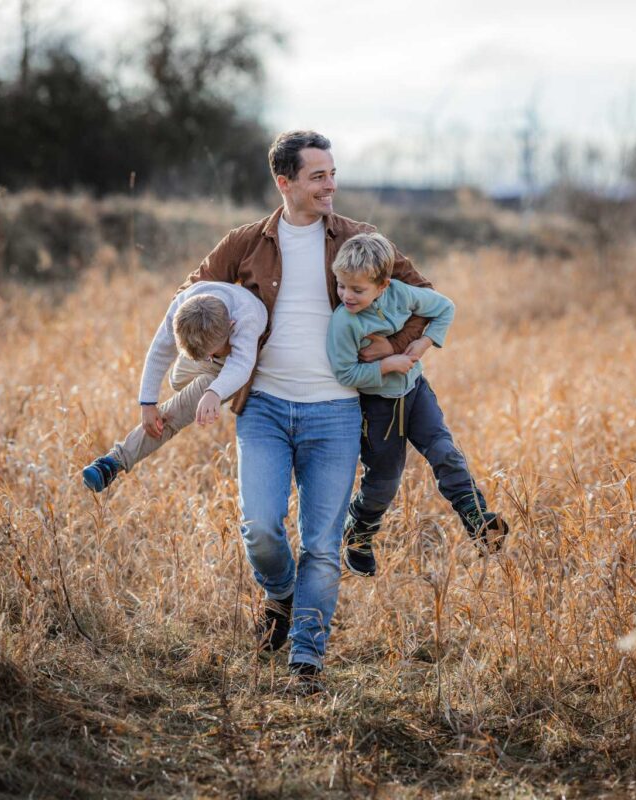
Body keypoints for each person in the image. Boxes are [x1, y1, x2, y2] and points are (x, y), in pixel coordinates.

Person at [179, 130, 433, 682]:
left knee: (321, 544)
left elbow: (424, 295)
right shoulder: (245, 243)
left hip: (336, 414)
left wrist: (397, 348)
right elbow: (192, 296)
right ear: (285, 182)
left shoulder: (359, 239)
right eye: (318, 176)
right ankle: (282, 595)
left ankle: (305, 656)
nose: (331, 185)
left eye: (332, 173)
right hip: (264, 409)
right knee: (262, 529)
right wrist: (220, 354)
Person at [326, 232, 508, 578]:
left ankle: (478, 520)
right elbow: (344, 373)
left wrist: (424, 342)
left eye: (357, 290)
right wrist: (386, 365)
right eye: (341, 286)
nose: (347, 296)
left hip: (415, 393)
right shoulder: (344, 323)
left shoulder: (402, 294)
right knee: (384, 482)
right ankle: (359, 535)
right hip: (378, 408)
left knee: (445, 451)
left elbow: (445, 308)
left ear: (383, 285)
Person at [81, 281, 267, 491]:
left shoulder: (246, 319)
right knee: (177, 380)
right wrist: (148, 403)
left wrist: (214, 392)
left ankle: (113, 462)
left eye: (211, 353)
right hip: (205, 348)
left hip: (233, 362)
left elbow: (241, 365)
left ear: (231, 325)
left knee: (177, 411)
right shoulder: (181, 307)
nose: (208, 357)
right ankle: (201, 359)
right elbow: (159, 352)